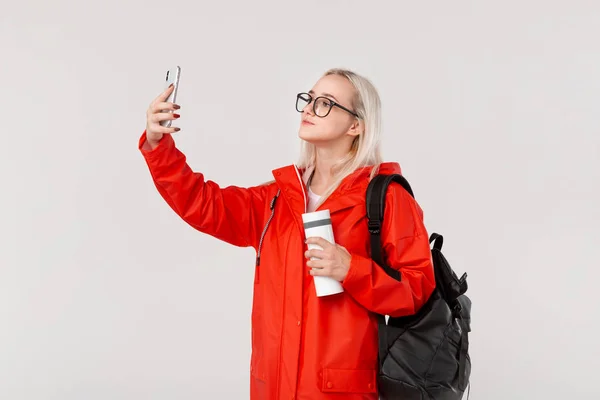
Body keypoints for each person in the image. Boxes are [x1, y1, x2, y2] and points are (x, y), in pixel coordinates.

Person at [138, 68, 436, 400]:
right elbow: (202, 203)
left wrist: (350, 269)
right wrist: (158, 144)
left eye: (326, 103)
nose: (309, 108)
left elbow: (417, 289)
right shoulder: (277, 200)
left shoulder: (385, 198)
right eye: (309, 99)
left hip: (339, 392)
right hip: (273, 388)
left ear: (356, 125)